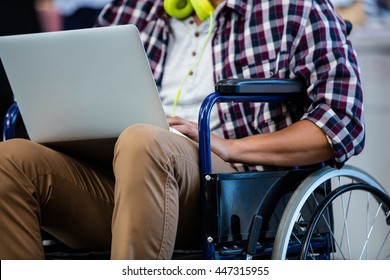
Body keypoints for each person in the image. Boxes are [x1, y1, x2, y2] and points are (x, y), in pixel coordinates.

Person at [0, 0, 364, 259]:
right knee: (10, 159)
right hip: (121, 172)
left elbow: (342, 122)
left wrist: (230, 147)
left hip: (226, 190)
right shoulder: (133, 9)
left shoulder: (295, 9)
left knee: (142, 139)